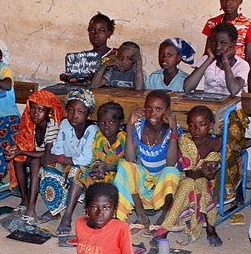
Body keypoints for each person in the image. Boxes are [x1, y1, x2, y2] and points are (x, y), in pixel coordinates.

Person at [57, 102, 125, 239]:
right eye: (102, 122)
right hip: (100, 171)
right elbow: (94, 158)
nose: (106, 126)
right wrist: (98, 167)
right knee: (79, 173)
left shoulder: (123, 139)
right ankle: (68, 214)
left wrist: (108, 167)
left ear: (120, 123)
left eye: (111, 122)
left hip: (118, 174)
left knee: (117, 181)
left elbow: (128, 164)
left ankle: (112, 218)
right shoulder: (98, 137)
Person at [156, 106, 222, 246]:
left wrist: (205, 171)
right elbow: (189, 171)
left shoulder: (216, 143)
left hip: (207, 182)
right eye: (191, 125)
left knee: (200, 184)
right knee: (189, 184)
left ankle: (163, 230)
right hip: (185, 179)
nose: (196, 129)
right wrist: (202, 170)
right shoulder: (185, 140)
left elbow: (211, 173)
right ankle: (210, 229)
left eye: (202, 125)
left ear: (211, 125)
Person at [113, 91, 180, 226]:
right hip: (142, 183)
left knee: (171, 172)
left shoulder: (172, 130)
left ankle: (164, 217)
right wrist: (130, 125)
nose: (152, 113)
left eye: (158, 109)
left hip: (161, 184)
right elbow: (130, 158)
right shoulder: (138, 126)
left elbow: (171, 162)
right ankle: (141, 214)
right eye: (148, 108)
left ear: (167, 111)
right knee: (124, 166)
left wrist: (173, 130)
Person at [39, 89, 99, 223]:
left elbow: (86, 159)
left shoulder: (92, 130)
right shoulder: (65, 124)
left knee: (75, 171)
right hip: (68, 163)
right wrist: (57, 159)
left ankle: (67, 215)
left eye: (80, 112)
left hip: (89, 170)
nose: (74, 115)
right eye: (71, 110)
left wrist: (59, 159)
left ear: (89, 114)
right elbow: (57, 148)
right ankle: (54, 210)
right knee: (47, 169)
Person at [5, 90, 65, 218]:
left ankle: (31, 207)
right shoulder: (29, 123)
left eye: (40, 110)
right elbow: (23, 141)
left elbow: (47, 154)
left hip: (53, 160)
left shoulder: (52, 125)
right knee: (18, 159)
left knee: (34, 161)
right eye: (32, 109)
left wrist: (21, 151)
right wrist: (13, 149)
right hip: (36, 156)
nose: (35, 113)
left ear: (49, 112)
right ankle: (24, 201)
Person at [202, 0, 251, 93]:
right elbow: (207, 52)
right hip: (215, 76)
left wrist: (250, 86)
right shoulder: (212, 23)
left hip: (236, 74)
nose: (227, 2)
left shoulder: (247, 24)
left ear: (240, 0)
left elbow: (249, 57)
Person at [184, 23, 248, 97]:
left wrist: (225, 61)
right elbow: (187, 87)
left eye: (223, 43)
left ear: (233, 43)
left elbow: (234, 90)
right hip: (209, 106)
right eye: (214, 42)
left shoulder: (241, 65)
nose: (217, 47)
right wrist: (209, 59)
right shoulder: (206, 59)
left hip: (233, 107)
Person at [61, 13, 117, 81]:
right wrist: (69, 78)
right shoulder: (82, 58)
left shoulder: (117, 56)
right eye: (92, 31)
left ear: (109, 33)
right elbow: (78, 80)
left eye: (101, 31)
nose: (96, 35)